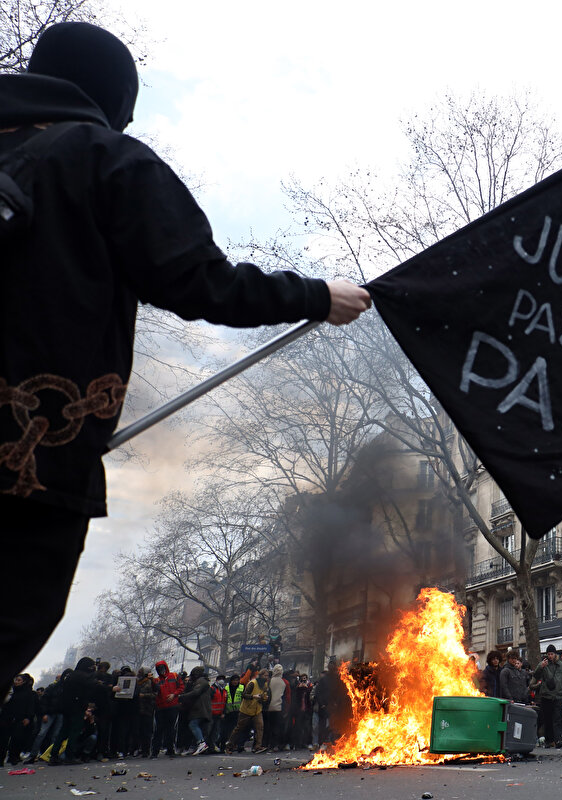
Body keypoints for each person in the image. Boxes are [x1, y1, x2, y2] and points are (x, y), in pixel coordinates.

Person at [0, 21, 374, 697]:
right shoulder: (101, 157)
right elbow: (202, 279)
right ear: (111, 96)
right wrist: (318, 295)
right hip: (30, 460)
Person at [226, 667, 269, 755]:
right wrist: (254, 696)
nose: (266, 677)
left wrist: (264, 698)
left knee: (260, 727)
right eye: (265, 675)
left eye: (267, 676)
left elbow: (263, 695)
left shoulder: (265, 685)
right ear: (260, 676)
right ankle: (229, 745)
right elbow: (244, 695)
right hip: (246, 710)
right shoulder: (252, 683)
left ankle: (257, 746)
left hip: (257, 709)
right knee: (239, 728)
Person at [531, 645, 562, 748]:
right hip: (546, 695)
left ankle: (558, 740)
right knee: (547, 719)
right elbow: (536, 675)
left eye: (552, 654)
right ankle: (549, 740)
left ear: (555, 654)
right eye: (548, 654)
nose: (550, 656)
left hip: (558, 696)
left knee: (557, 719)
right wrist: (541, 666)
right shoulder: (544, 664)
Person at [178, 666, 212, 756]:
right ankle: (194, 746)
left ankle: (201, 744)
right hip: (201, 709)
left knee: (193, 724)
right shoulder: (202, 681)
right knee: (197, 727)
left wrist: (181, 697)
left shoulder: (201, 682)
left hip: (200, 709)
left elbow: (195, 692)